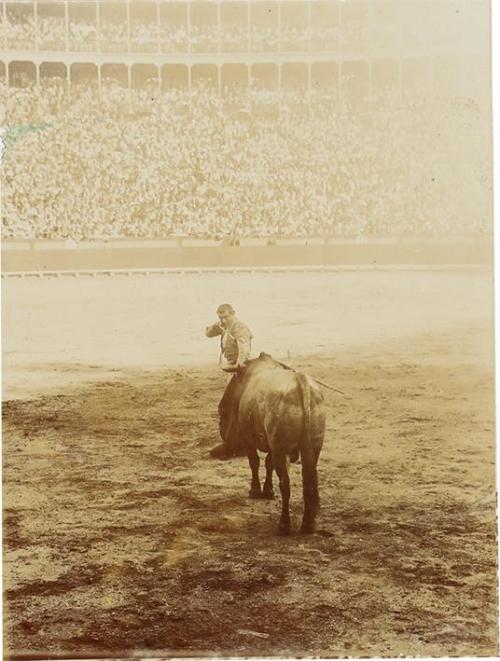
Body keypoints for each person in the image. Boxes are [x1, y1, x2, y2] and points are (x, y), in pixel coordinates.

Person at [205, 303, 253, 459]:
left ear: (233, 313)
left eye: (226, 316)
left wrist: (239, 365)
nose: (224, 320)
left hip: (238, 372)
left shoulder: (240, 328)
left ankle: (238, 444)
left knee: (235, 406)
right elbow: (208, 333)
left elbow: (244, 350)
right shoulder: (225, 326)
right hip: (230, 370)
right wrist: (217, 325)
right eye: (221, 317)